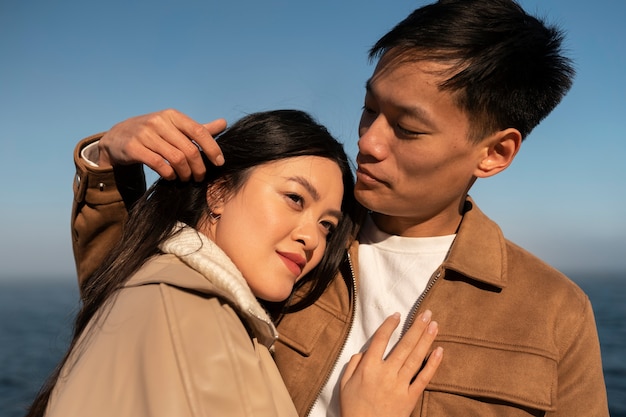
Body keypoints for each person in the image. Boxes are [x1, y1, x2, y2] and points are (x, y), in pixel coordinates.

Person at [68, 0, 609, 416]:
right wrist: (108, 160)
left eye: (408, 128)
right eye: (369, 108)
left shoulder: (553, 313)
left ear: (495, 153)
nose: (369, 142)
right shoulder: (285, 239)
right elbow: (130, 296)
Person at [27, 110, 443, 417]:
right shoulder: (198, 327)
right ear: (219, 192)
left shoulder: (156, 285)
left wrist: (105, 161)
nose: (312, 238)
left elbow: (115, 261)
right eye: (294, 199)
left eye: (328, 226)